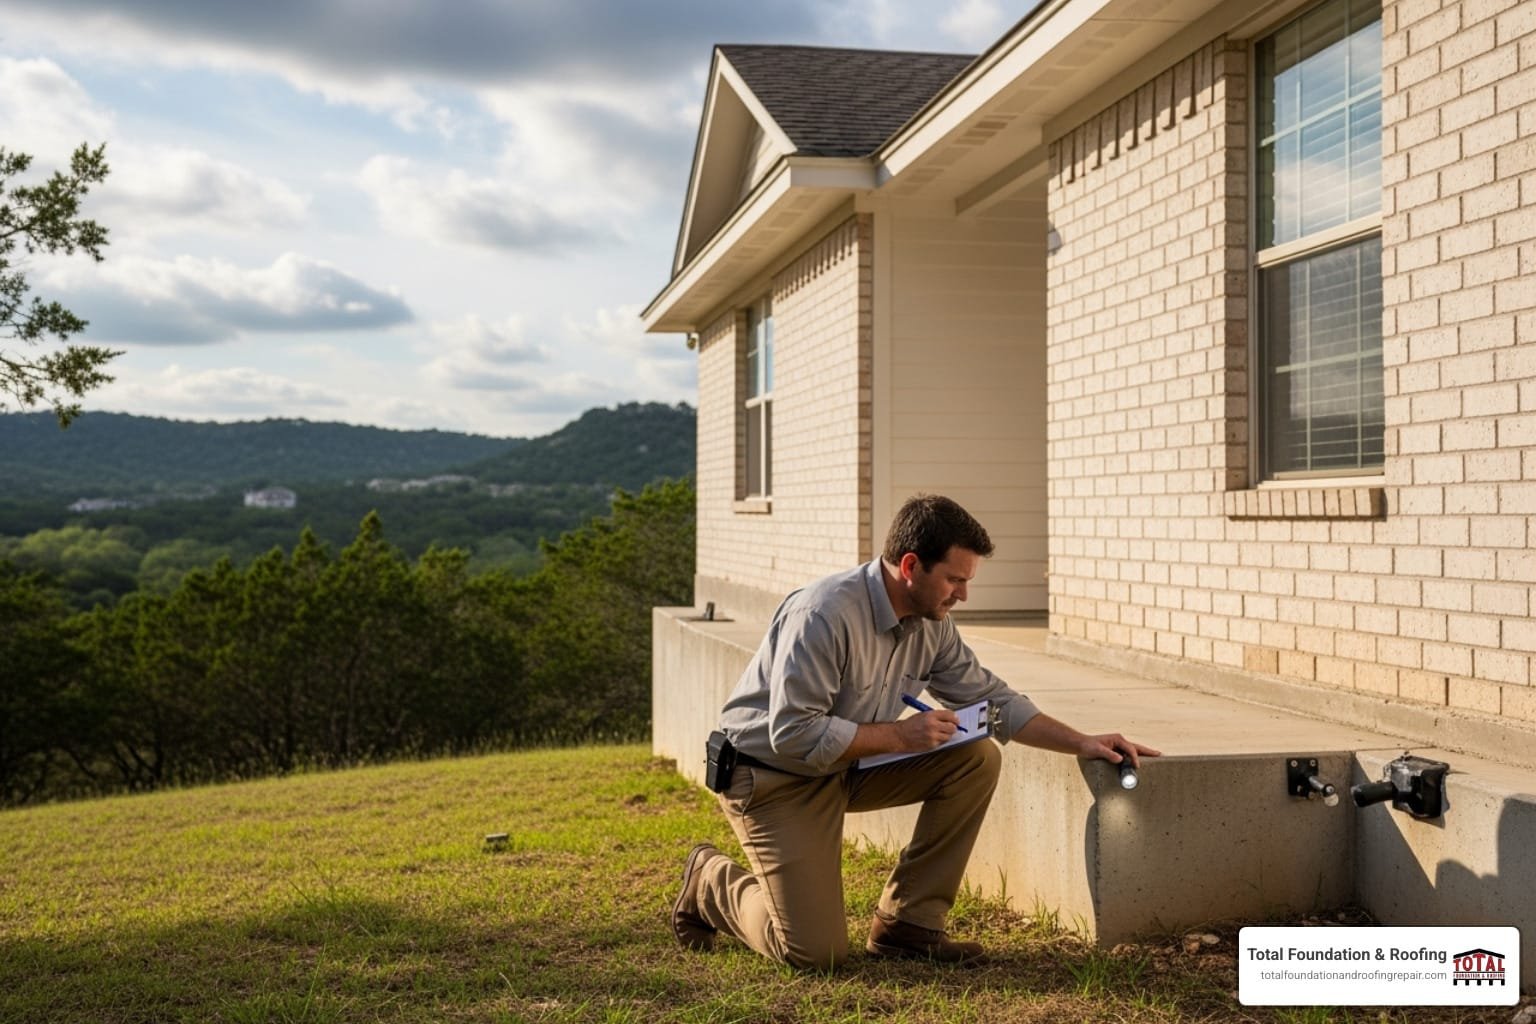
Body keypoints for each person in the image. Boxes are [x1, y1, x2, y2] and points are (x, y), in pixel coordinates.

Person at [670, 493, 1160, 969]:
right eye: (954, 579)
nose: (963, 595)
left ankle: (908, 926)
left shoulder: (933, 624)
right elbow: (793, 734)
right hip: (773, 778)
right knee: (814, 954)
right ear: (910, 566)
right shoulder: (822, 614)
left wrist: (1083, 741)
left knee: (975, 757)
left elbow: (992, 702)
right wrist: (902, 737)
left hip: (845, 766)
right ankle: (710, 880)